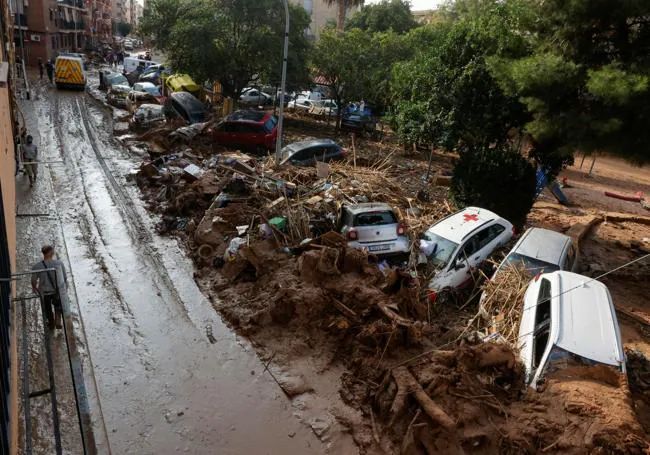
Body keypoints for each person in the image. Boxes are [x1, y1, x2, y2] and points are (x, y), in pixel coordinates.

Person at [31, 245, 68, 330]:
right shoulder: (59, 263)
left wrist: (34, 287)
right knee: (57, 305)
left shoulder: (37, 266)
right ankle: (58, 320)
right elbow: (65, 278)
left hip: (45, 292)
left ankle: (51, 323)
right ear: (51, 252)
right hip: (56, 290)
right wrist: (64, 289)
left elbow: (34, 280)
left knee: (47, 309)